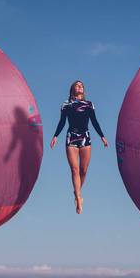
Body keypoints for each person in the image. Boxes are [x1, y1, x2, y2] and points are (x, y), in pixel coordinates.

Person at [50, 80, 108, 214]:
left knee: (84, 170)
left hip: (85, 138)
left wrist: (102, 136)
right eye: (77, 85)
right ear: (72, 89)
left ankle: (77, 192)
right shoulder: (66, 104)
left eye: (81, 85)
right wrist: (55, 136)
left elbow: (94, 121)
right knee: (75, 170)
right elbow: (62, 122)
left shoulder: (89, 104)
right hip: (71, 137)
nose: (80, 86)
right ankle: (78, 197)